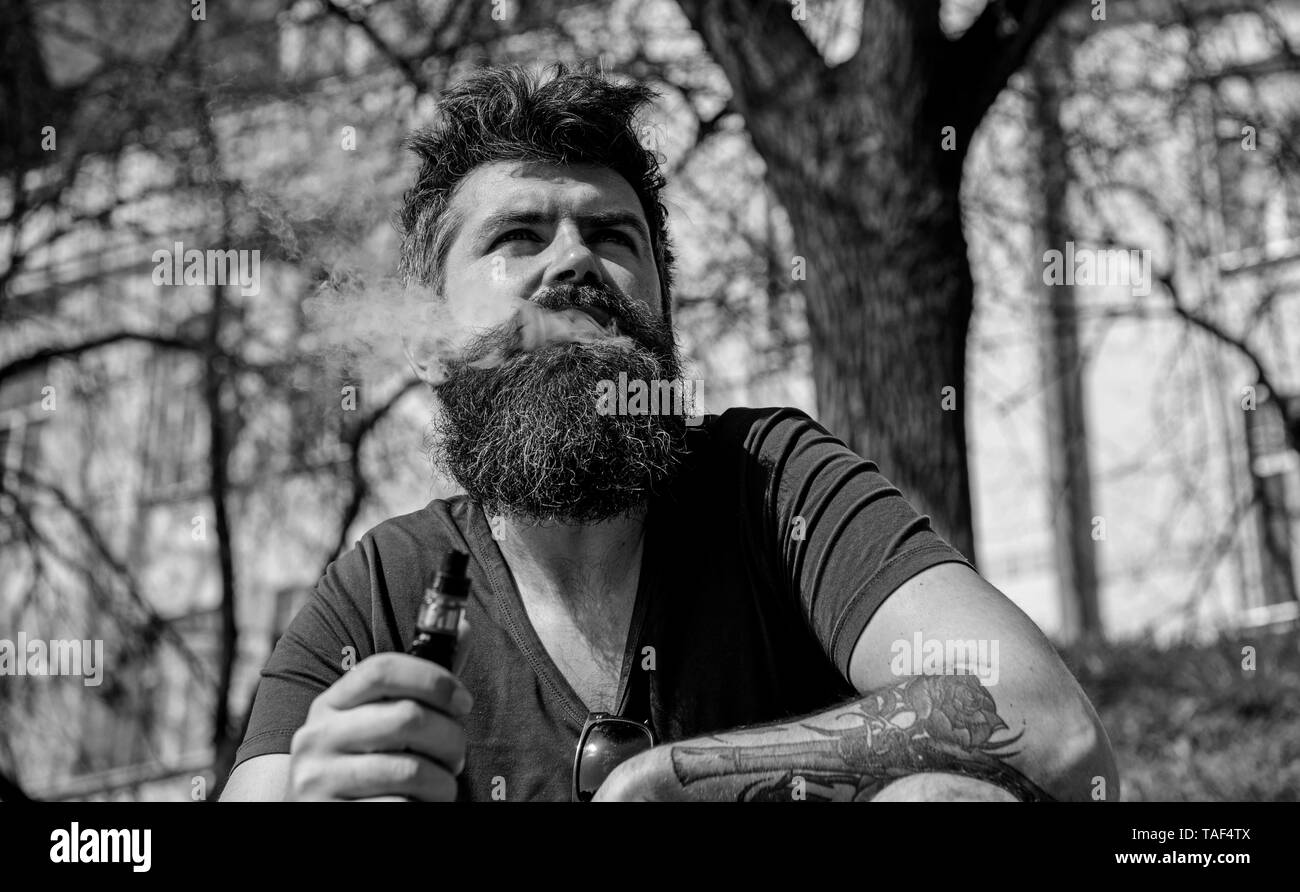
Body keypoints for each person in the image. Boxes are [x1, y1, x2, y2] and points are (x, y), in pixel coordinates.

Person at [220, 64, 1118, 802]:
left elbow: (1050, 727)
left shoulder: (773, 483)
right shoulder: (383, 586)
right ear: (427, 342)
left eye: (613, 235)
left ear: (662, 312)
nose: (573, 260)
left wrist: (671, 780)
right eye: (519, 235)